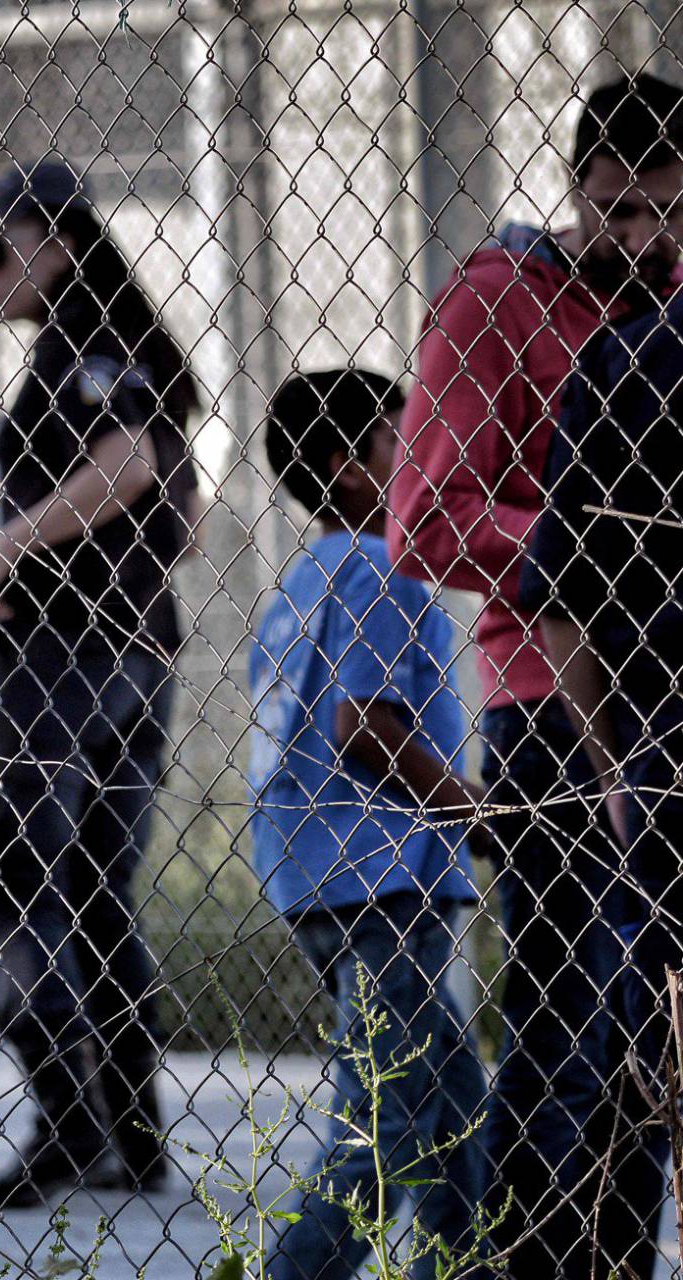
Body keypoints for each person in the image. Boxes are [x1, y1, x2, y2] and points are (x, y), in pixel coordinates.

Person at [388, 73, 683, 1277]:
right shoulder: (495, 301)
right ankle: (528, 1257)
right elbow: (423, 519)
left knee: (650, 1035)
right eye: (616, 213)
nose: (643, 242)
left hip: (665, 692)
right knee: (569, 1021)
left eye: (667, 212)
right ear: (573, 191)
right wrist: (597, 544)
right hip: (549, 703)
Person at [0, 162, 198, 1205]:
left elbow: (132, 461)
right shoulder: (113, 331)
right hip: (131, 653)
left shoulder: (89, 328)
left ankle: (69, 1123)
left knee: (12, 877)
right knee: (97, 898)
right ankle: (130, 1139)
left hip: (64, 656)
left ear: (53, 239)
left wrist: (9, 541)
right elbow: (173, 501)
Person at [251, 370, 488, 1280]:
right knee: (385, 1123)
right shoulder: (388, 562)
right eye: (406, 436)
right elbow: (366, 725)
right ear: (352, 469)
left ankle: (465, 1264)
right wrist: (478, 812)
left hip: (314, 871)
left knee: (453, 1106)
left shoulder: (303, 579)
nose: (427, 451)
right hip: (383, 873)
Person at [525, 297, 683, 1280]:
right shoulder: (626, 363)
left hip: (659, 763)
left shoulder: (625, 359)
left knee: (638, 1053)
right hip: (660, 766)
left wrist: (617, 769)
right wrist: (615, 770)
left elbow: (561, 600)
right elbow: (561, 598)